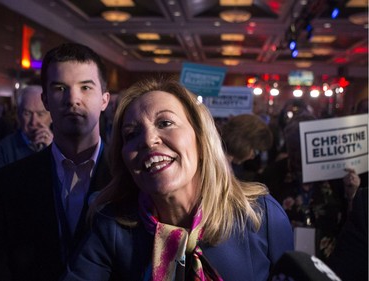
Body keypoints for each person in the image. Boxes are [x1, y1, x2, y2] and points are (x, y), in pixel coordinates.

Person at [62, 77, 294, 281]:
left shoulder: (261, 215)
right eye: (131, 134)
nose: (149, 140)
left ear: (201, 138)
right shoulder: (111, 226)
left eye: (165, 123)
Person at [0, 42, 112, 281]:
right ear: (46, 100)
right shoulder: (8, 182)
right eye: (60, 88)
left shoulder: (130, 177)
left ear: (104, 100)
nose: (73, 99)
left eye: (86, 87)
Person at [260, 112, 362, 261]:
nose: (296, 155)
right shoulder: (274, 173)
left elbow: (352, 220)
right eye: (292, 148)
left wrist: (351, 194)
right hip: (285, 255)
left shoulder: (336, 173)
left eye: (302, 148)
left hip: (328, 256)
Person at [0, 85, 53, 170]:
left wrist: (53, 151)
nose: (33, 122)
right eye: (27, 113)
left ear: (51, 117)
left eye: (40, 114)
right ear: (18, 115)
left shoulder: (64, 148)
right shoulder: (1, 151)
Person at [220, 113, 273, 181]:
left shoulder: (225, 162)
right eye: (255, 151)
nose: (252, 157)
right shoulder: (215, 165)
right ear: (243, 142)